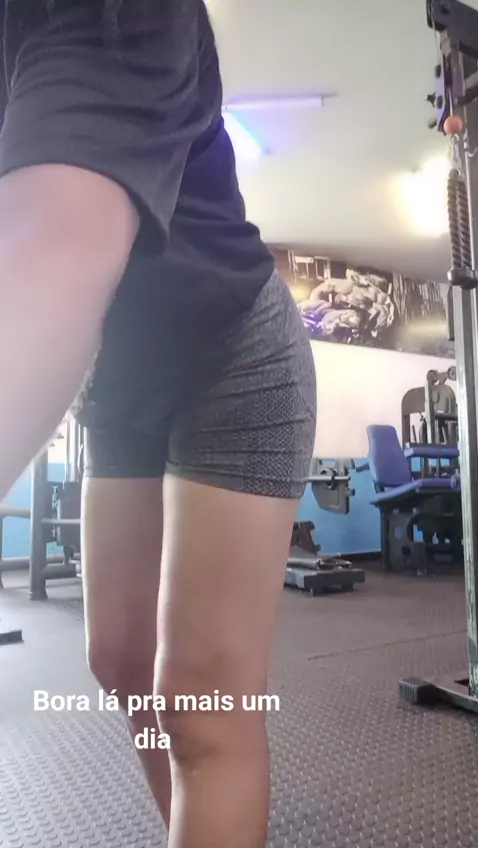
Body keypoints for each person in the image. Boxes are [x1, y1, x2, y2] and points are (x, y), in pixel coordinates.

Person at [0, 2, 316, 846]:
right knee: (121, 659)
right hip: (122, 376)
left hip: (233, 350)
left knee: (202, 705)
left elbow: (56, 243)